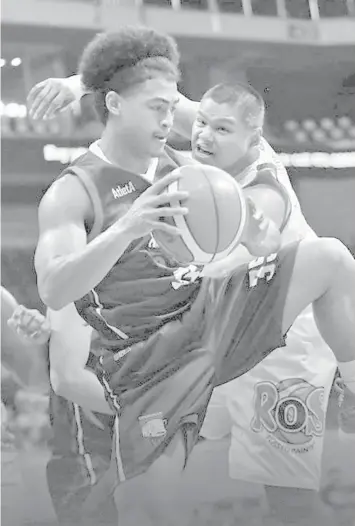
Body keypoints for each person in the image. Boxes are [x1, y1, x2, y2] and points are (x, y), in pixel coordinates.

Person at [32, 27, 355, 526]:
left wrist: (249, 234)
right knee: (149, 496)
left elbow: (249, 248)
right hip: (193, 340)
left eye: (219, 129)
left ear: (252, 137)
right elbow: (156, 95)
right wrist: (82, 84)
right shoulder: (170, 163)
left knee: (286, 497)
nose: (196, 131)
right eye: (198, 122)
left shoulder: (257, 182)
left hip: (277, 348)